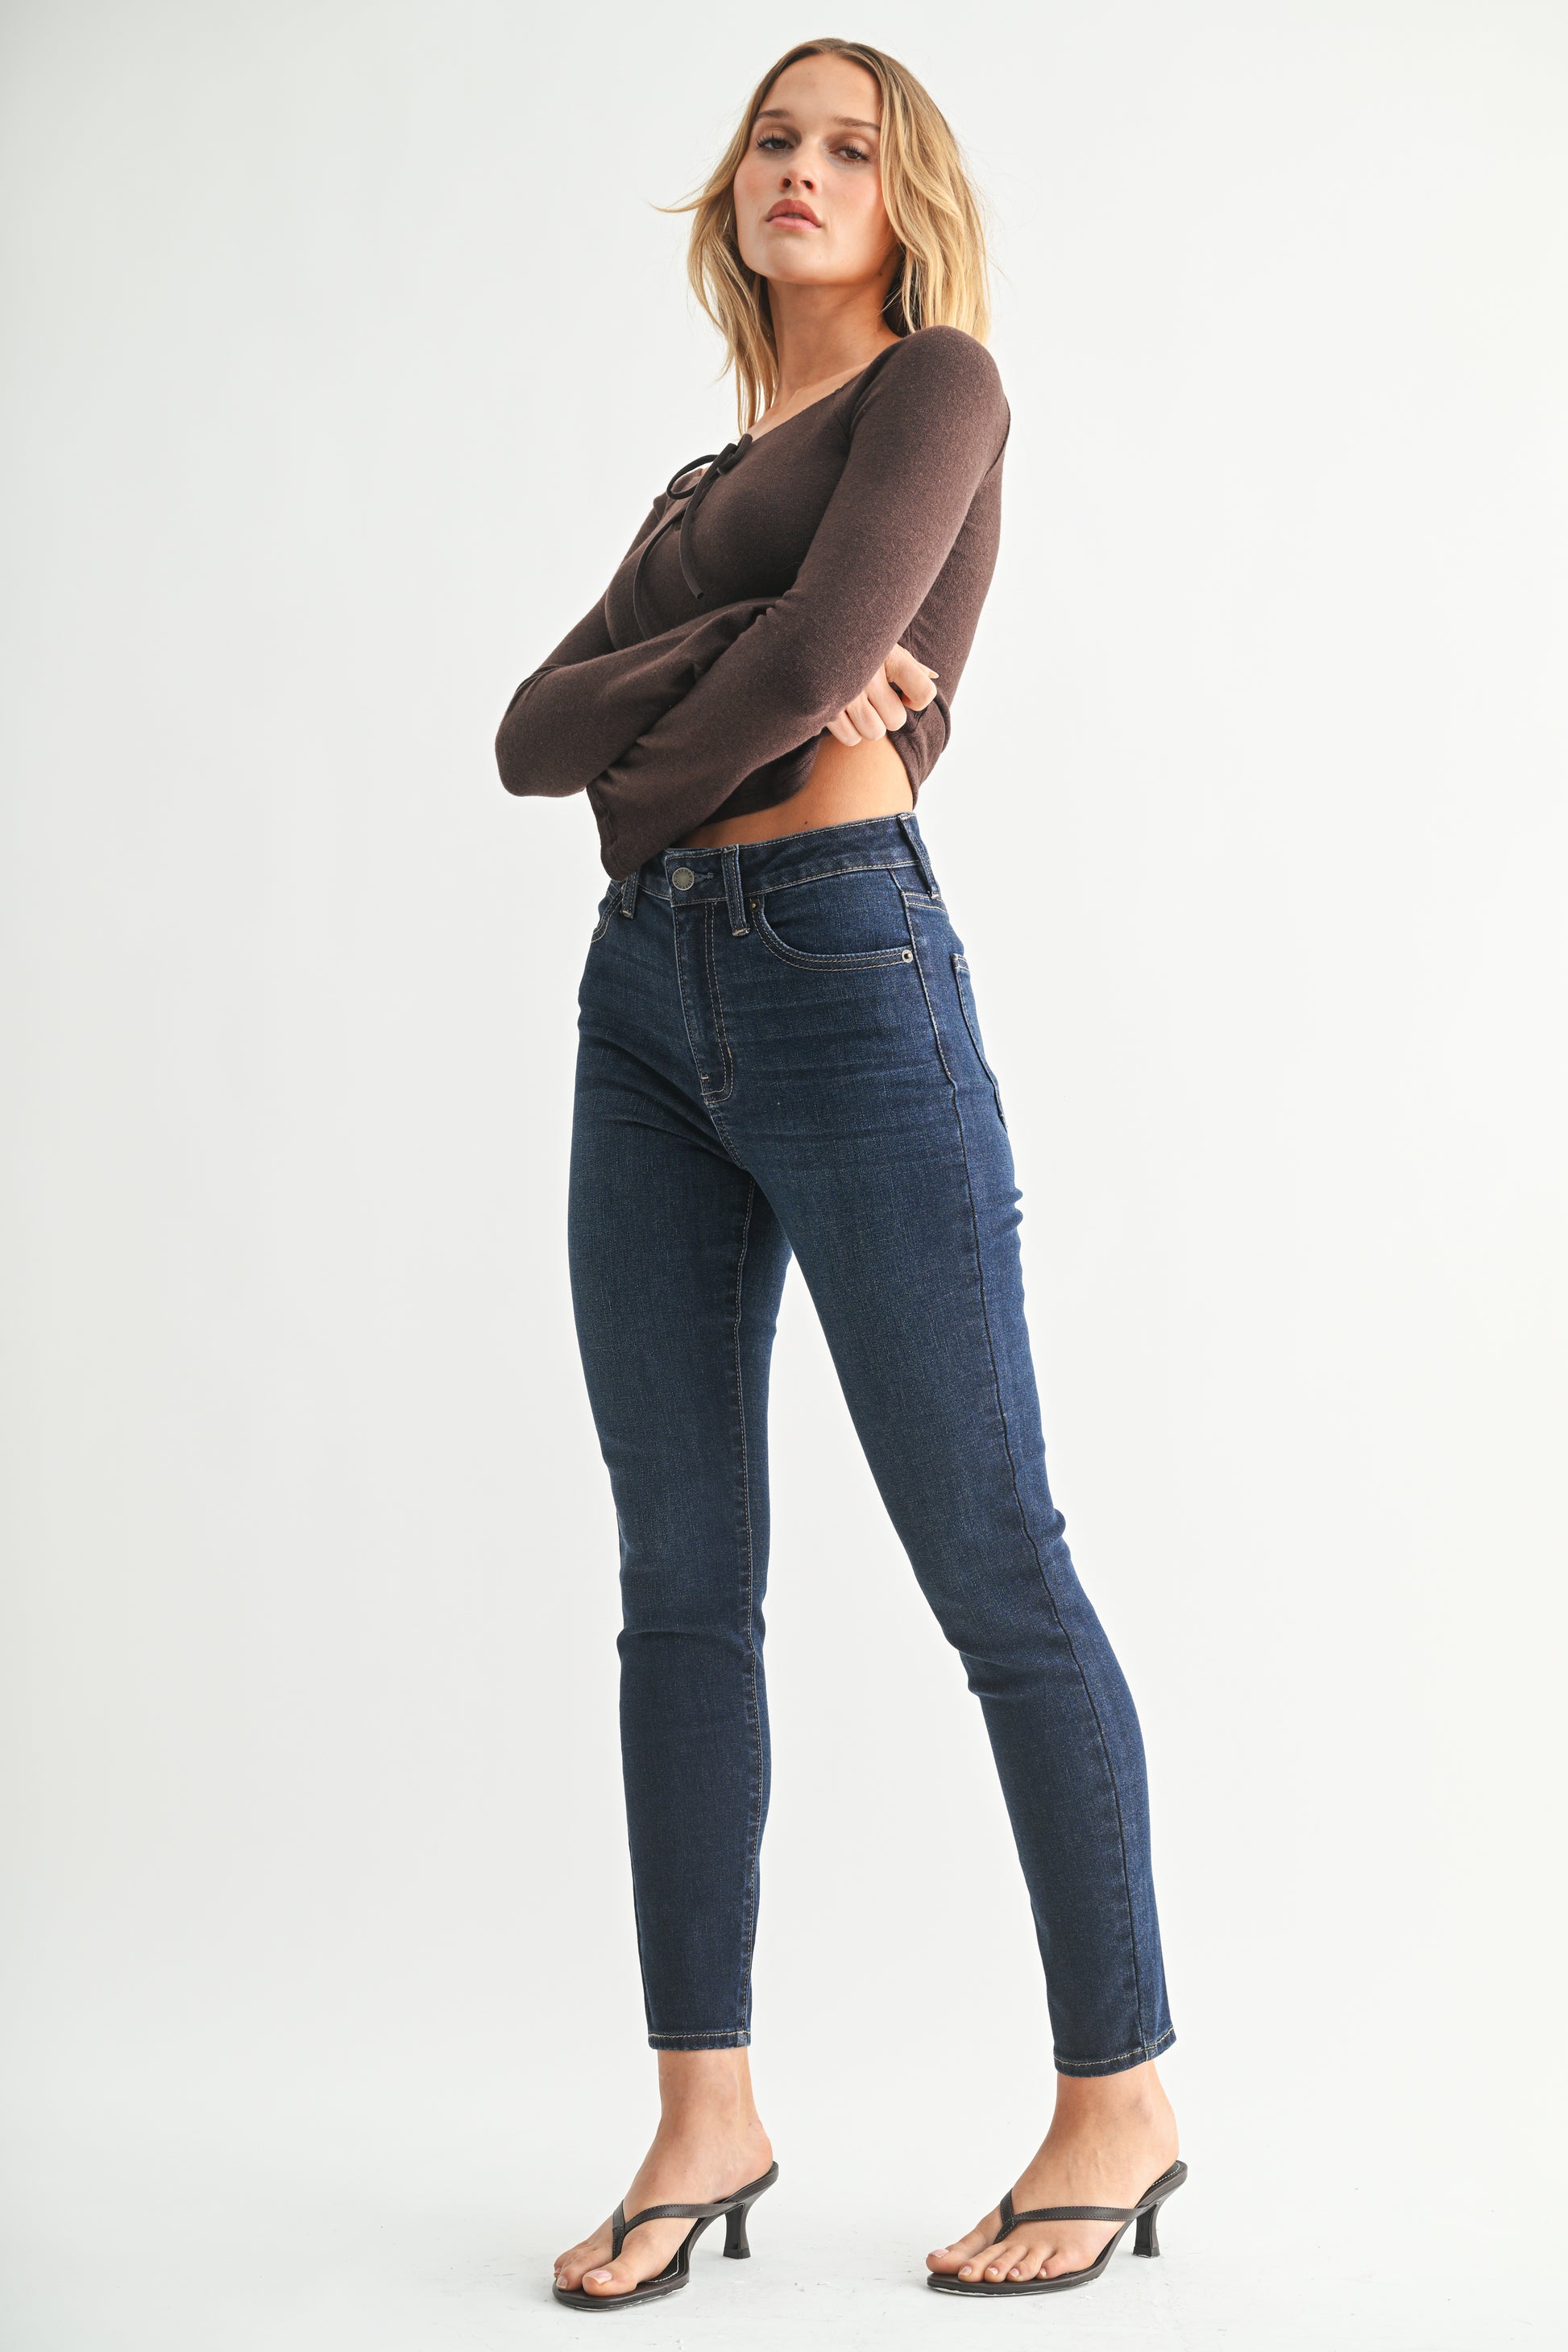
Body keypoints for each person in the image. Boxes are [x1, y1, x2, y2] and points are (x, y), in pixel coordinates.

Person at [496, 36, 1183, 2309]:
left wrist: (691, 715)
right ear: (731, 196)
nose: (804, 169)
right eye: (773, 140)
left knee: (990, 1546)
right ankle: (707, 2115)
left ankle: (1120, 2100)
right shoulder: (706, 474)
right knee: (680, 1575)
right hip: (639, 1012)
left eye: (850, 146)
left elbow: (806, 674)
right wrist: (739, 683)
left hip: (838, 974)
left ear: (907, 204)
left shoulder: (937, 391)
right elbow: (527, 737)